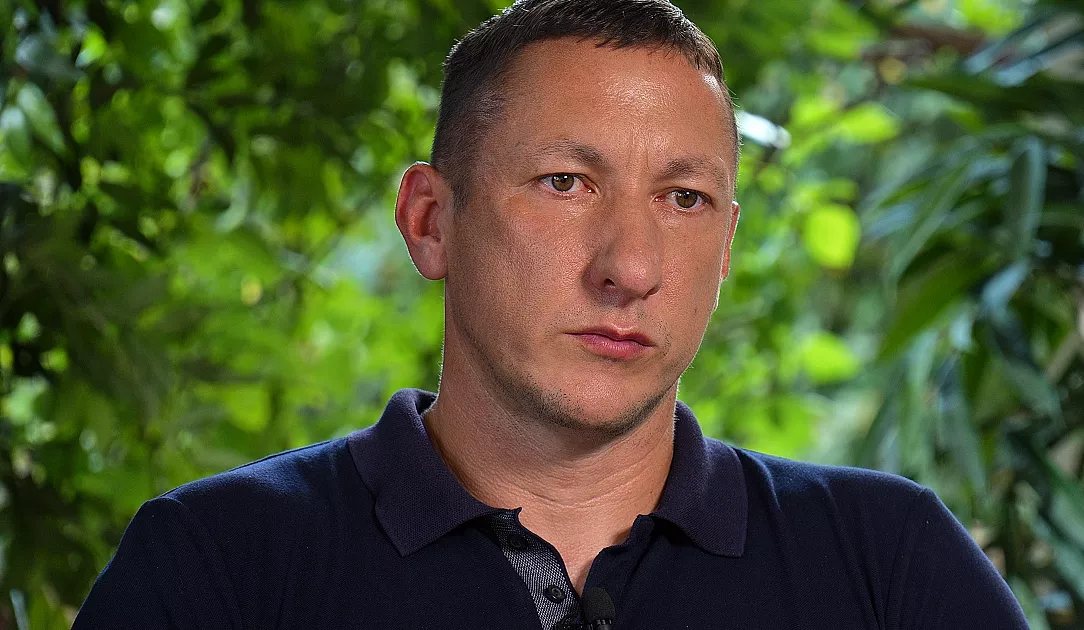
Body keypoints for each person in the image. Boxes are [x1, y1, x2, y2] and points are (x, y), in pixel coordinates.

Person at [74, 1, 1030, 628]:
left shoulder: (888, 562)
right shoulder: (216, 565)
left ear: (727, 247)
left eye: (685, 198)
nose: (631, 268)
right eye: (566, 182)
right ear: (430, 220)